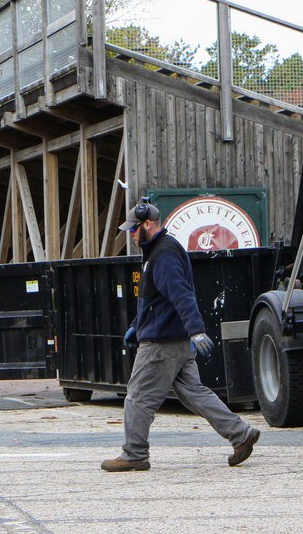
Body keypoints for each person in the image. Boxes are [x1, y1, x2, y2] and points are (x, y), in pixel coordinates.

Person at [101, 198, 260, 472]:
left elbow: (180, 293)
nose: (131, 235)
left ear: (147, 224)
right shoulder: (159, 251)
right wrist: (137, 326)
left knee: (137, 397)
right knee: (194, 393)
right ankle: (240, 433)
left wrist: (196, 330)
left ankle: (134, 454)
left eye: (133, 229)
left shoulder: (163, 254)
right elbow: (156, 300)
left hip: (161, 344)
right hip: (173, 340)